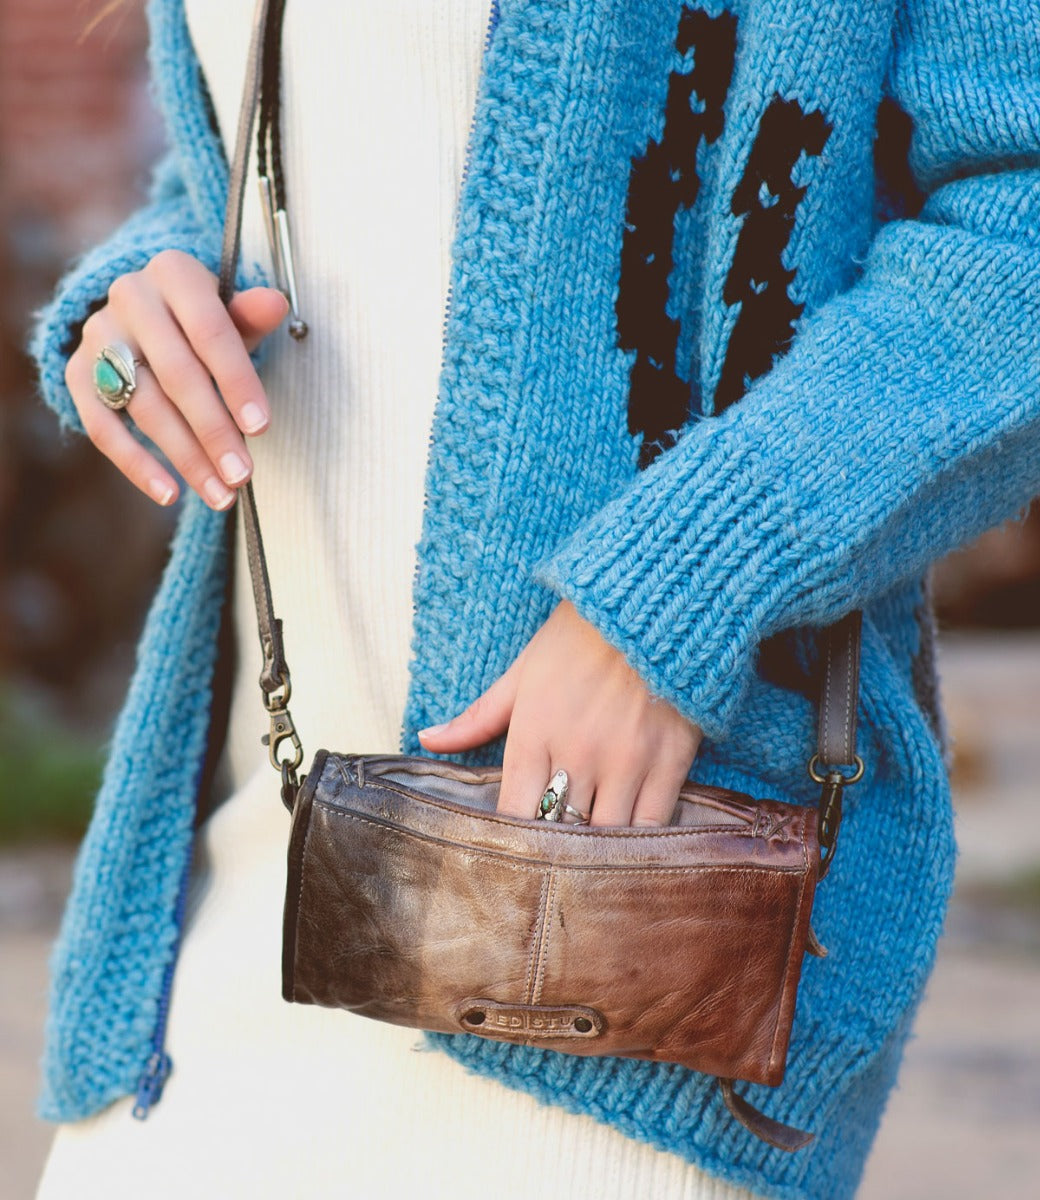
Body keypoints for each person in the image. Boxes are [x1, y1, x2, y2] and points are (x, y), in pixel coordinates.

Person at [28, 0, 1040, 1197]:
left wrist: (674, 595)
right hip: (240, 906)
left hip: (612, 914)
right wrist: (143, 298)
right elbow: (315, 168)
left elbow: (1011, 236)